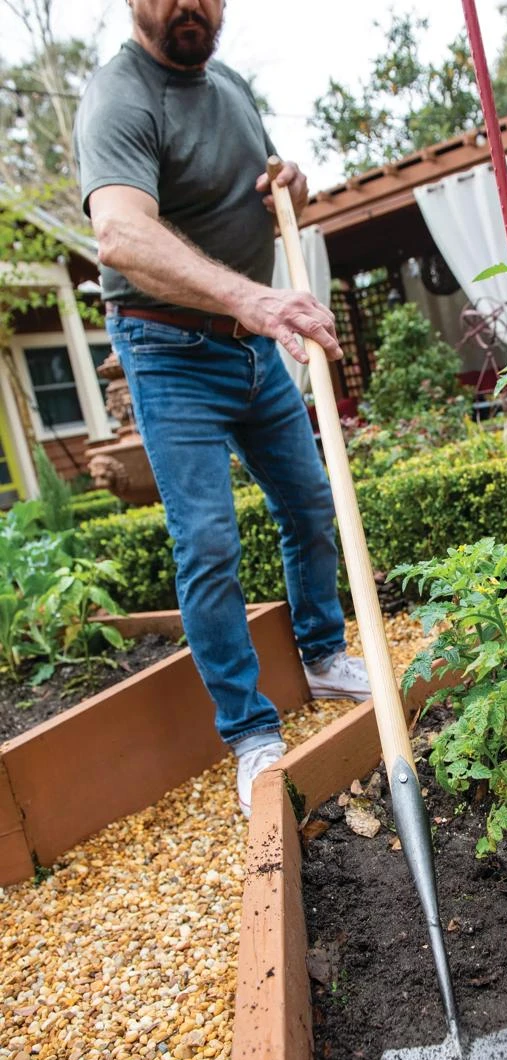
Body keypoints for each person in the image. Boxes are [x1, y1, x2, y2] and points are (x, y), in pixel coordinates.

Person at [74, 0, 371, 819]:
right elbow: (120, 237)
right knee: (207, 542)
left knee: (309, 504)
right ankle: (249, 730)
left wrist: (289, 186)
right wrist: (256, 299)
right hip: (167, 349)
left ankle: (321, 656)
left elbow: (262, 189)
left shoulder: (230, 84)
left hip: (250, 343)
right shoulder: (119, 96)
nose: (189, 5)